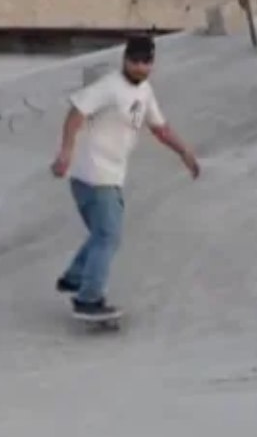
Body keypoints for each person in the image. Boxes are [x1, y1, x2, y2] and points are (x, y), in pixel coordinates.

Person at [50, 36, 200, 318]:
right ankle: (88, 299)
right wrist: (66, 152)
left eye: (147, 62)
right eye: (135, 61)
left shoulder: (145, 92)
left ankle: (74, 277)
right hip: (92, 174)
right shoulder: (109, 86)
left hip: (111, 175)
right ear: (125, 59)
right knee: (108, 235)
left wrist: (184, 152)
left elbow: (160, 128)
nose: (141, 68)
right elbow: (75, 114)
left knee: (104, 234)